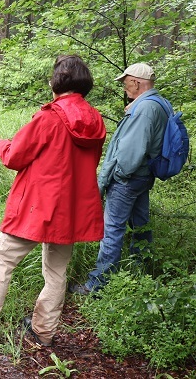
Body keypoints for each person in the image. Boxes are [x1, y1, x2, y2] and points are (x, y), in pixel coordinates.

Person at [0, 55, 106, 346]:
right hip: (71, 207)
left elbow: (15, 156)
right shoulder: (96, 120)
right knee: (57, 269)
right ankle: (44, 330)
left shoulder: (50, 116)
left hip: (40, 204)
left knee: (1, 257)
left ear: (56, 82)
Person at [71, 63, 167, 296]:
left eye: (126, 83)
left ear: (136, 82)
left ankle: (98, 285)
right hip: (144, 176)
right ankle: (141, 273)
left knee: (112, 228)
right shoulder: (159, 104)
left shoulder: (144, 109)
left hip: (129, 178)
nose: (124, 88)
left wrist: (118, 176)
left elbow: (130, 152)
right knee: (141, 225)